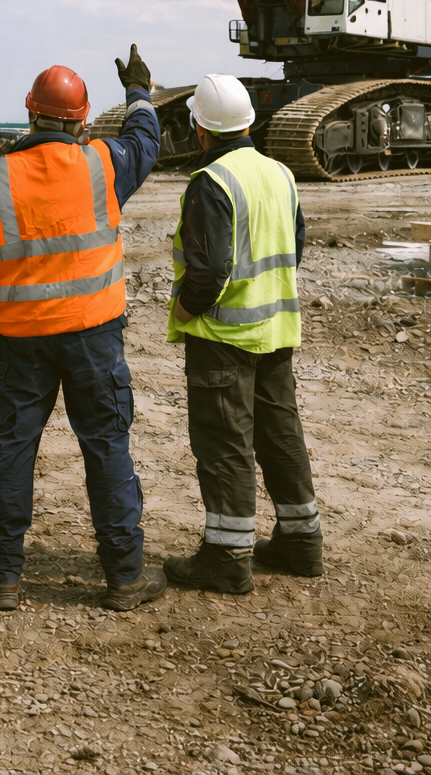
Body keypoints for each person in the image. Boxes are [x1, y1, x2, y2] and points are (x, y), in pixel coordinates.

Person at [0, 46, 164, 613]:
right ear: (79, 120)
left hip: (23, 342)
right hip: (94, 337)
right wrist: (140, 91)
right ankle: (124, 579)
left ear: (30, 115)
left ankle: (2, 577)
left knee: (13, 451)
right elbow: (148, 141)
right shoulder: (103, 164)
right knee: (107, 448)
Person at [162, 73, 321, 594]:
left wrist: (185, 309)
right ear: (249, 121)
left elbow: (208, 272)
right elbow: (294, 248)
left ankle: (228, 557)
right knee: (280, 436)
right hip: (277, 330)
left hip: (225, 337)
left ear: (201, 130)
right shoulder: (281, 173)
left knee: (225, 443)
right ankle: (301, 543)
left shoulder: (212, 181)